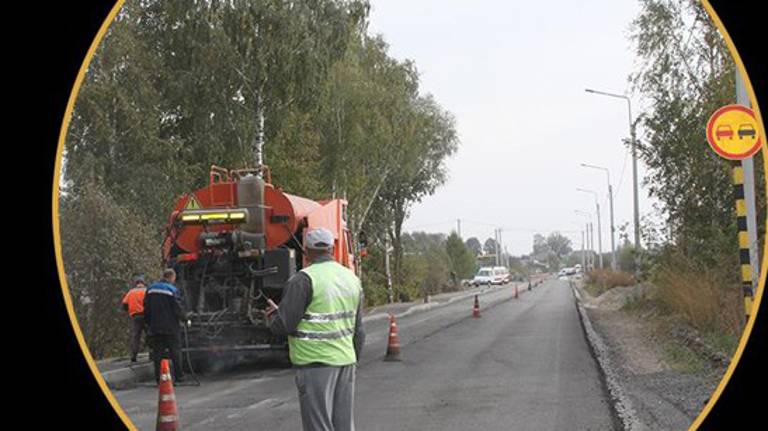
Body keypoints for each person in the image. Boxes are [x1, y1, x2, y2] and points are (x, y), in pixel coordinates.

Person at [267, 227, 365, 431]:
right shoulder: (351, 279)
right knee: (343, 425)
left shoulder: (303, 279)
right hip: (346, 361)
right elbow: (359, 330)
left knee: (319, 425)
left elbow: (285, 324)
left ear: (307, 250)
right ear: (332, 248)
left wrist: (272, 317)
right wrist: (353, 357)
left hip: (315, 363)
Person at [144, 268, 185, 383]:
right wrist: (185, 318)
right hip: (171, 328)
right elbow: (178, 308)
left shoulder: (151, 289)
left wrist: (148, 324)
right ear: (171, 277)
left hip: (155, 327)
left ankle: (159, 378)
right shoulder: (172, 289)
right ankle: (179, 377)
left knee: (158, 355)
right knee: (175, 352)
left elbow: (146, 309)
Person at [121, 276, 147, 362]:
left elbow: (124, 304)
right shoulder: (146, 291)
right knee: (150, 334)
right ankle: (153, 352)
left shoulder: (131, 292)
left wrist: (129, 310)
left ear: (136, 284)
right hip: (146, 316)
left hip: (135, 316)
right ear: (143, 283)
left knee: (136, 336)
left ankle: (134, 355)